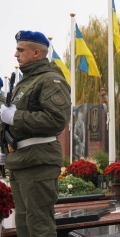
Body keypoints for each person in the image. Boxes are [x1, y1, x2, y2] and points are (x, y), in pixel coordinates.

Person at [0, 30, 71, 236]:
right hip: (21, 161)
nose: (16, 54)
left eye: (21, 50)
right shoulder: (24, 82)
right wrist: (7, 147)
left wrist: (16, 117)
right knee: (23, 226)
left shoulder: (50, 80)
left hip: (38, 162)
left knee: (39, 226)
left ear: (37, 53)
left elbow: (57, 119)